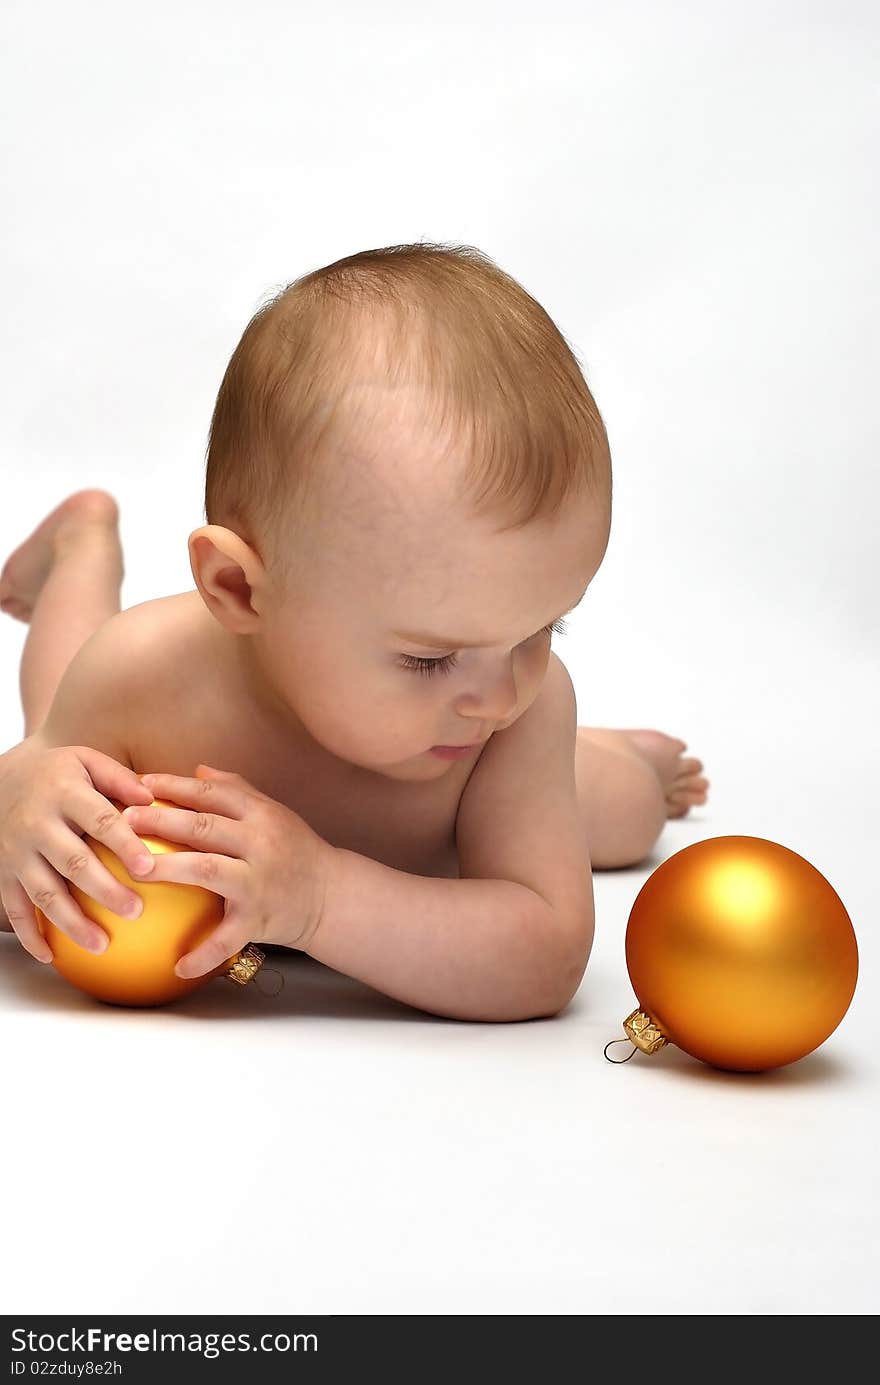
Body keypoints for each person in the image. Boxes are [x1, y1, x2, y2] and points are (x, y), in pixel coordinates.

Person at [0, 242, 708, 1021]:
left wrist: (322, 898)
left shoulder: (515, 719)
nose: (500, 694)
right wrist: (17, 801)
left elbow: (544, 958)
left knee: (628, 807)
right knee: (58, 752)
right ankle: (83, 542)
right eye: (430, 657)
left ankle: (612, 755)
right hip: (122, 691)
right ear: (238, 590)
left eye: (546, 628)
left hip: (471, 810)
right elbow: (35, 853)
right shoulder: (144, 675)